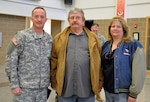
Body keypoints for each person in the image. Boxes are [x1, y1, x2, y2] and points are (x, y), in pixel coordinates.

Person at [50, 8, 103, 102]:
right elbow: (54, 61)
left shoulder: (93, 39)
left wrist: (99, 82)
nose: (75, 20)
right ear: (69, 20)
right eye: (72, 18)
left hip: (87, 90)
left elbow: (99, 62)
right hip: (65, 89)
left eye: (78, 17)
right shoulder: (58, 38)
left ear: (83, 20)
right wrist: (54, 82)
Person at [5, 7, 52, 102]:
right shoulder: (21, 36)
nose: (39, 19)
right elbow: (11, 60)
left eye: (42, 17)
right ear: (32, 19)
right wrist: (14, 85)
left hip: (42, 89)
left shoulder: (49, 39)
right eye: (36, 16)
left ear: (45, 20)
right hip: (25, 88)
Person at [101, 16, 146, 102]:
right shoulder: (106, 45)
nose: (115, 29)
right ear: (109, 29)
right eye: (113, 26)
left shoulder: (133, 45)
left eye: (118, 26)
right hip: (108, 91)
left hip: (124, 93)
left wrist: (133, 93)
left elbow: (139, 71)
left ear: (124, 29)